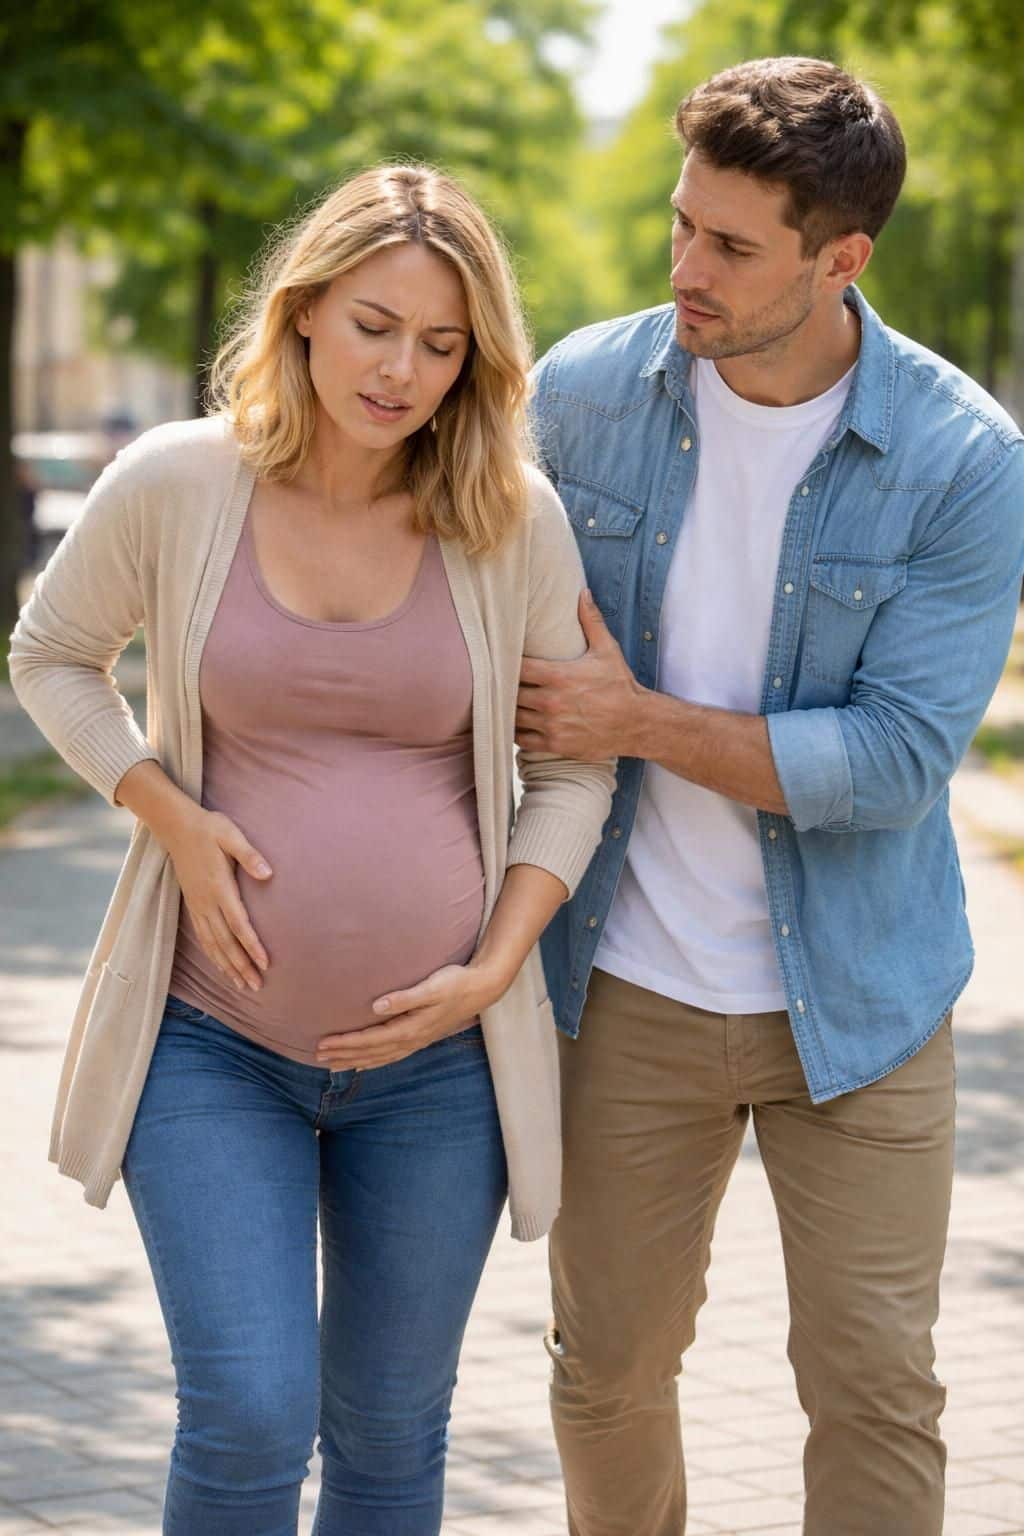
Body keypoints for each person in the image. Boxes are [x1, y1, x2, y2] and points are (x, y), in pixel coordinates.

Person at [8, 163, 615, 1536]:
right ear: (303, 312)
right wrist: (167, 810)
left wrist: (494, 965)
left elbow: (577, 764)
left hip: (439, 1067)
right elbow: (50, 656)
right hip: (211, 1042)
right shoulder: (179, 479)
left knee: (394, 1436)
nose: (402, 371)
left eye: (442, 345)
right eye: (374, 326)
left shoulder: (509, 516)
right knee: (248, 1413)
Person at [517, 56, 1024, 1536]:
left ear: (841, 259)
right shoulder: (580, 396)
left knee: (874, 1387)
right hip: (625, 980)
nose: (687, 266)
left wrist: (637, 722)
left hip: (861, 999)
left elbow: (893, 763)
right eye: (683, 223)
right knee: (605, 1369)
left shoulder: (964, 460)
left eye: (731, 246)